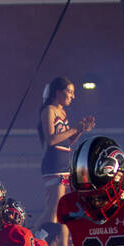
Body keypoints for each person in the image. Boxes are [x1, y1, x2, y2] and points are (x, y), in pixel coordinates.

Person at [37, 77, 95, 232]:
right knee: (53, 209)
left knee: (64, 207)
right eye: (69, 92)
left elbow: (65, 142)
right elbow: (51, 140)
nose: (72, 96)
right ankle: (37, 239)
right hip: (53, 165)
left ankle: (59, 244)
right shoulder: (49, 110)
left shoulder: (62, 112)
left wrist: (81, 130)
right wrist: (75, 129)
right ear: (58, 92)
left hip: (64, 164)